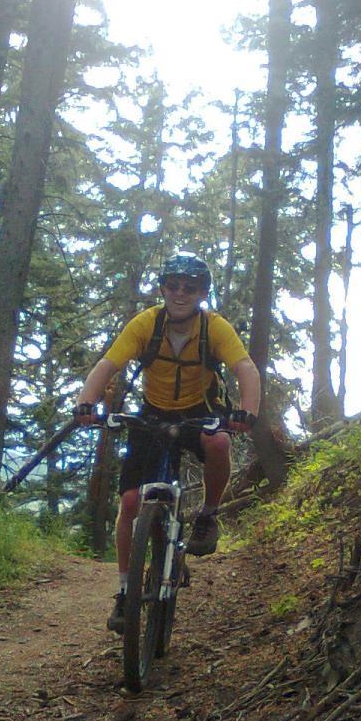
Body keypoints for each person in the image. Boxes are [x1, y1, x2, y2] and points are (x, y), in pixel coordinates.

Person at [74, 252, 262, 632]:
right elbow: (109, 364)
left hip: (199, 409)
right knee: (129, 501)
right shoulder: (146, 324)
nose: (180, 293)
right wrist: (85, 402)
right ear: (162, 288)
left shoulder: (215, 328)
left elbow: (244, 367)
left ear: (201, 292)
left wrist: (247, 411)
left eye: (189, 288)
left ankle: (208, 516)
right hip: (153, 413)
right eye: (173, 286)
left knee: (219, 443)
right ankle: (126, 592)